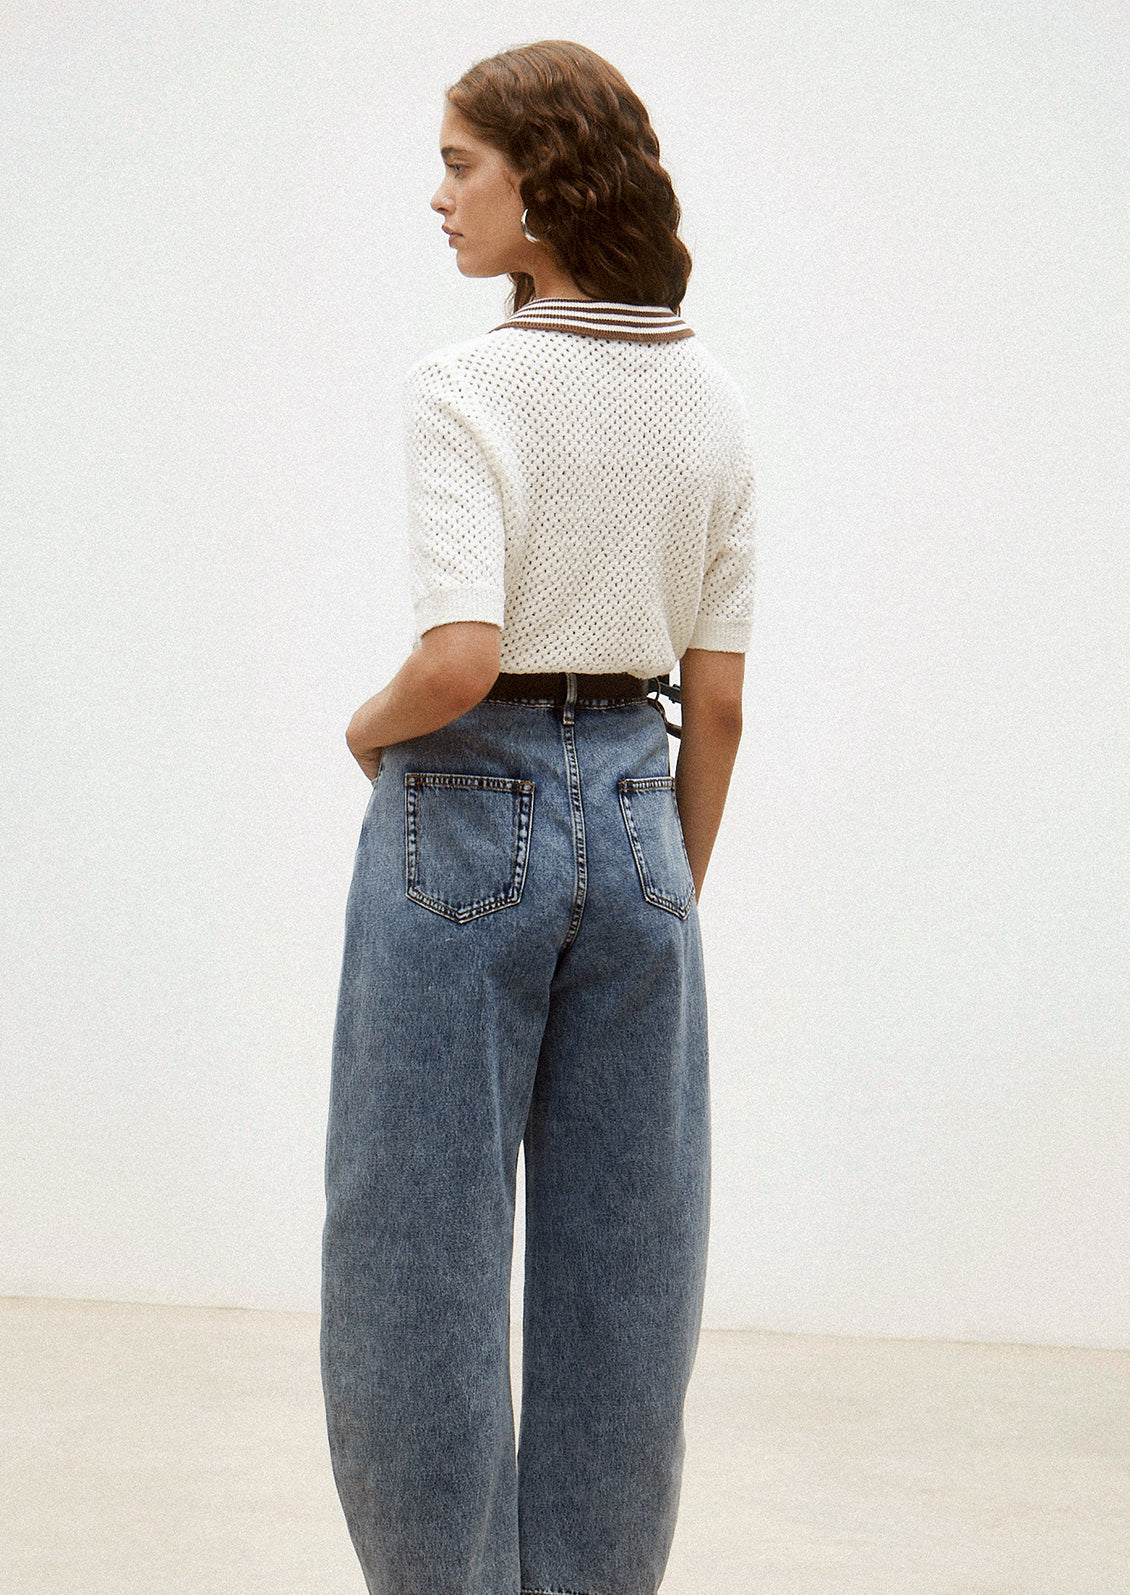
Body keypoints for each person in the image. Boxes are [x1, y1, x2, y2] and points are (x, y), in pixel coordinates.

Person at [320, 39, 756, 1595]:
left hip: (464, 813)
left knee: (415, 1263)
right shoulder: (709, 396)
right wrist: (662, 885)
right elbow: (714, 706)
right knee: (627, 1272)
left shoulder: (467, 387)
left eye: (460, 165)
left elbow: (456, 664)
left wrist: (362, 734)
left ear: (542, 183)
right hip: (643, 824)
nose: (439, 198)